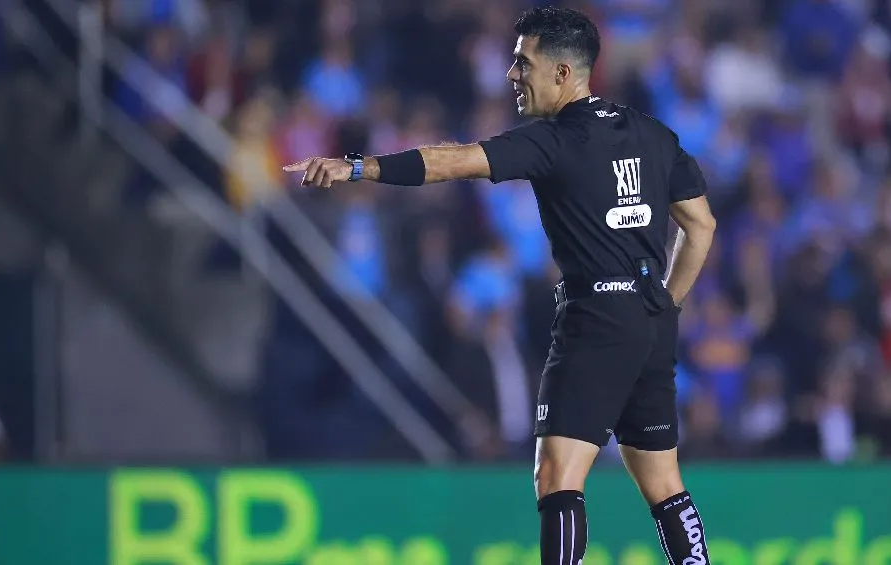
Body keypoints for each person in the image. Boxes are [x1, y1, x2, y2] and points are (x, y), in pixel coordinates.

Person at [284, 6, 717, 564]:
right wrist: (667, 303)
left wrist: (359, 168)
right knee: (663, 479)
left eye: (522, 63)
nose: (512, 75)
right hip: (648, 321)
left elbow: (453, 161)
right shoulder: (653, 134)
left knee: (557, 473)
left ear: (562, 73)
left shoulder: (553, 140)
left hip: (595, 319)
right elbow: (700, 225)